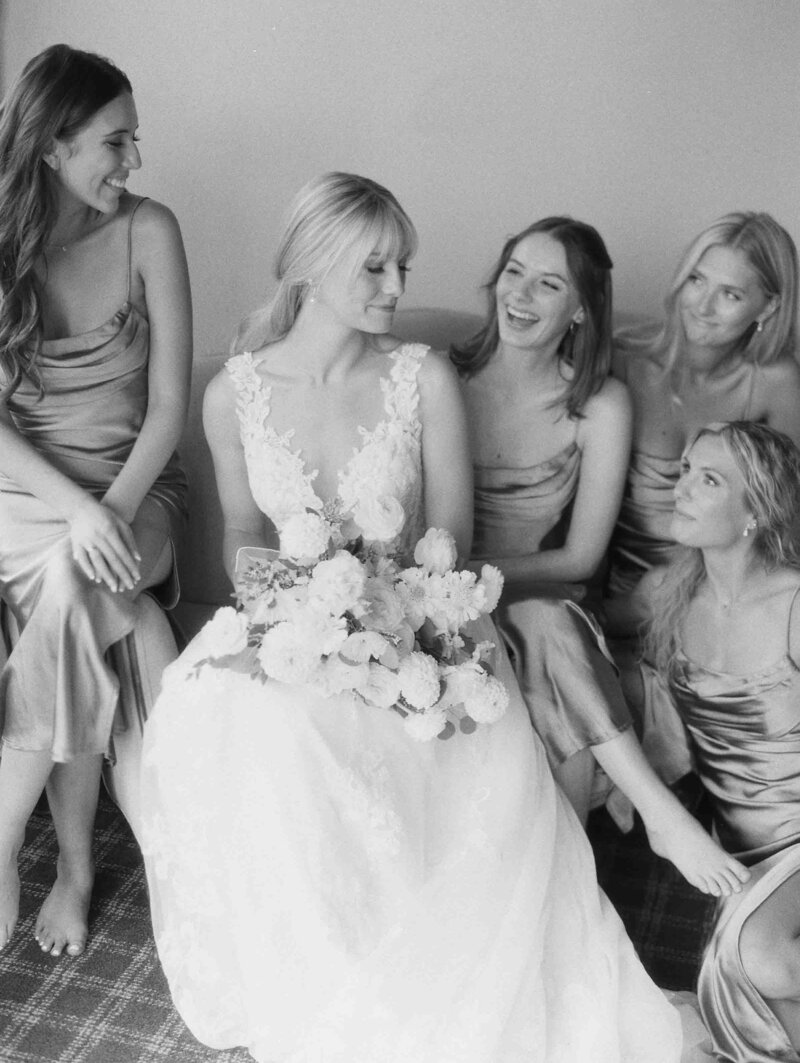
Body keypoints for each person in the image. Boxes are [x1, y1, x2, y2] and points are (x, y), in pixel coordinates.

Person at [140, 173, 731, 1063]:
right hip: (292, 624)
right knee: (240, 718)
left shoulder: (422, 379)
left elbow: (447, 536)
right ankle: (325, 972)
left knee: (379, 732)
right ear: (314, 265)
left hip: (416, 619)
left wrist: (381, 606)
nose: (396, 288)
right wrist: (290, 604)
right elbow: (238, 534)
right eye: (375, 267)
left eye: (401, 267)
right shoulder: (234, 393)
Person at [451, 218, 746, 900]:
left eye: (548, 283)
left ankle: (569, 883)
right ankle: (647, 825)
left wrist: (479, 579)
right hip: (450, 606)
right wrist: (453, 589)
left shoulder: (598, 403)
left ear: (579, 308)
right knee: (546, 633)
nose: (520, 294)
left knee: (550, 620)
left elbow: (580, 558)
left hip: (540, 597)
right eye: (514, 271)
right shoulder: (445, 377)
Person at [0, 45, 191, 958]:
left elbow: (167, 409)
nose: (134, 162)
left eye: (134, 140)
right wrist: (72, 512)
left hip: (139, 488)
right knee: (70, 593)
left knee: (77, 588)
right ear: (52, 146)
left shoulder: (151, 230)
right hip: (27, 498)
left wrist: (105, 512)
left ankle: (33, 861)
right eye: (115, 142)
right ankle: (55, 863)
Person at [605, 213, 800, 786]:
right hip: (622, 588)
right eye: (697, 280)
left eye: (731, 293)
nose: (703, 305)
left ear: (766, 309)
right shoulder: (622, 359)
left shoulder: (776, 383)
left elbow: (783, 518)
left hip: (719, 591)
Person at [634, 420, 800, 1063]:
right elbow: (572, 623)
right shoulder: (666, 594)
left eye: (710, 480)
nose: (682, 489)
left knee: (761, 958)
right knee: (762, 974)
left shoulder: (792, 603)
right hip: (738, 848)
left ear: (755, 510)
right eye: (684, 472)